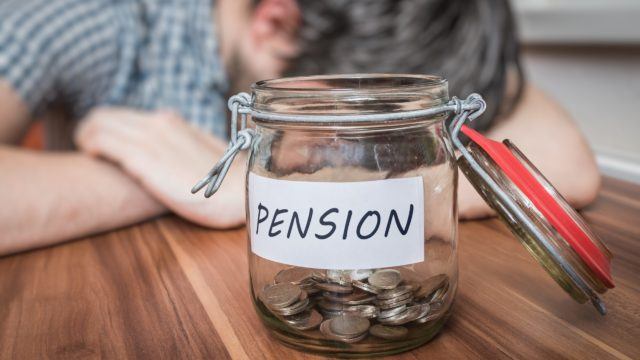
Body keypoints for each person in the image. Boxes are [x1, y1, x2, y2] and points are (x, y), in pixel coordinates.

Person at [0, 0, 600, 255]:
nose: (345, 152)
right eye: (337, 127)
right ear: (275, 21)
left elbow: (567, 163)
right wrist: (208, 183)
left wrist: (259, 189)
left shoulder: (380, 34)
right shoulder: (100, 22)